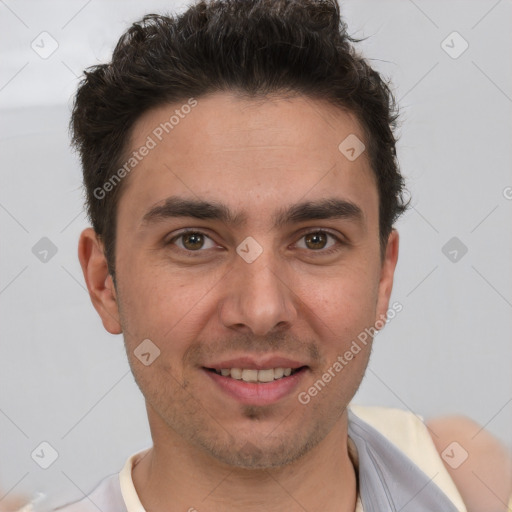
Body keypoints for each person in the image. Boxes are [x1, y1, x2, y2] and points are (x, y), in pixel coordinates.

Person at [52, 0, 511, 510]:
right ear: (104, 282)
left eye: (316, 239)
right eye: (193, 240)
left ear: (383, 276)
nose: (261, 311)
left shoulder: (466, 481)